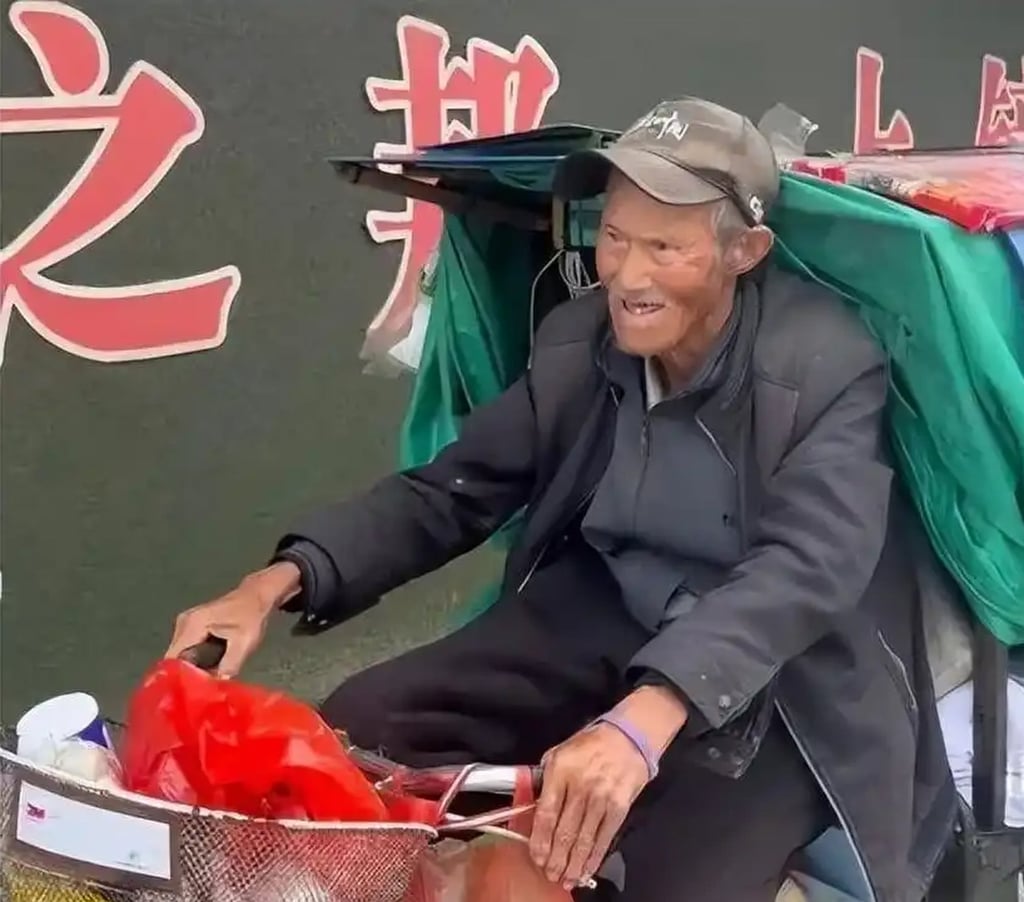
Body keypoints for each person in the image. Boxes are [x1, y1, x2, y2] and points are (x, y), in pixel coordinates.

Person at [167, 98, 956, 902]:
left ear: (742, 252)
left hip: (778, 674)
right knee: (358, 736)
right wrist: (274, 584)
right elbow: (453, 491)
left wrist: (646, 716)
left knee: (658, 879)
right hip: (606, 606)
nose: (628, 276)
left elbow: (808, 565)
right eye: (614, 237)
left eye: (664, 247)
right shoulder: (582, 341)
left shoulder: (825, 364)